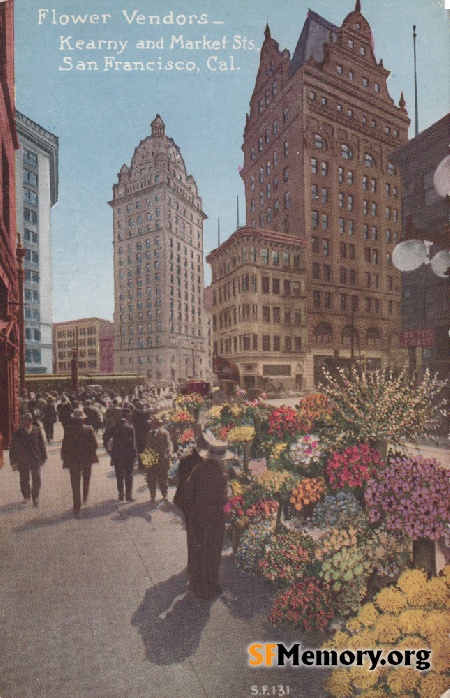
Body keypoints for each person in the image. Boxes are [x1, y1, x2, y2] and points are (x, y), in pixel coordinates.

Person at [181, 432, 230, 600]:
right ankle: (210, 586)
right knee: (213, 552)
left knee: (198, 549)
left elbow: (188, 490)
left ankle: (196, 585)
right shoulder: (222, 474)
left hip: (197, 516)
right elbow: (225, 498)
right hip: (215, 518)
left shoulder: (198, 469)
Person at [173, 424, 207, 578]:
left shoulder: (187, 457)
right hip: (191, 503)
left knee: (193, 535)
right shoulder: (197, 462)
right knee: (195, 535)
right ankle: (195, 566)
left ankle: (193, 564)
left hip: (188, 502)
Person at [61, 408, 98, 517]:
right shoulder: (89, 429)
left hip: (73, 459)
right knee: (86, 478)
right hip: (86, 458)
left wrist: (65, 457)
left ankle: (77, 504)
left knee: (75, 481)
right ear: (83, 419)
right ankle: (85, 496)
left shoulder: (69, 430)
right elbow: (94, 444)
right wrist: (90, 453)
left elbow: (65, 445)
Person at [9, 413, 47, 506]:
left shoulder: (36, 430)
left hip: (35, 458)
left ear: (32, 421)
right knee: (24, 479)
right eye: (26, 420)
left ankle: (35, 497)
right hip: (23, 460)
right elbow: (13, 448)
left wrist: (44, 456)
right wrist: (13, 461)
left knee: (36, 478)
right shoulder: (18, 433)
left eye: (29, 420)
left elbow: (42, 444)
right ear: (22, 421)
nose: (28, 422)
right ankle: (26, 496)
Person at [103, 408, 137, 502]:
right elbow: (134, 444)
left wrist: (110, 451)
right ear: (126, 417)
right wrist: (135, 456)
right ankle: (129, 495)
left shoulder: (114, 427)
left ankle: (121, 494)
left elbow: (105, 438)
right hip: (128, 455)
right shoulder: (130, 428)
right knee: (129, 475)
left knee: (119, 475)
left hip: (117, 455)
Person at [144, 415, 172, 504]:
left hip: (161, 459)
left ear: (157, 424)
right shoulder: (149, 433)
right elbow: (147, 446)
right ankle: (152, 496)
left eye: (153, 424)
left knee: (163, 479)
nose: (152, 425)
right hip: (151, 459)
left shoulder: (164, 433)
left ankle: (165, 495)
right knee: (150, 479)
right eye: (151, 424)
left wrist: (169, 452)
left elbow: (168, 444)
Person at [132, 401, 150, 470]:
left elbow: (148, 423)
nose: (140, 409)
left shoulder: (145, 412)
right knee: (140, 449)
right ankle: (141, 465)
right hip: (140, 434)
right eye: (139, 408)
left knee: (144, 449)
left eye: (141, 407)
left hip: (143, 434)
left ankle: (144, 464)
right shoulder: (135, 413)